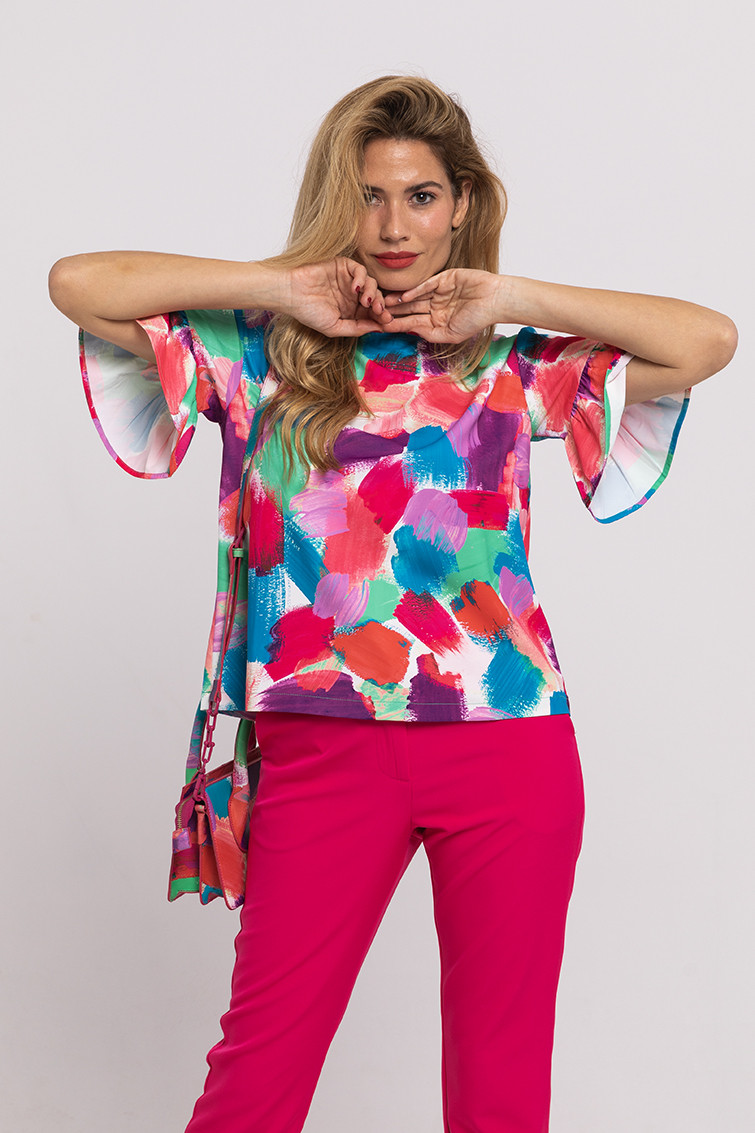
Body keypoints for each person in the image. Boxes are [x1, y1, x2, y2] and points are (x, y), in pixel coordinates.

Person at [49, 75, 736, 1133]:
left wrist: (508, 297)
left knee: (501, 1089)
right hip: (320, 741)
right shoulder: (258, 351)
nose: (393, 225)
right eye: (368, 196)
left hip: (506, 739)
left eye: (420, 196)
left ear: (460, 206)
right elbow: (78, 282)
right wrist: (284, 288)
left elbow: (705, 340)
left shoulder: (510, 364)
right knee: (255, 1080)